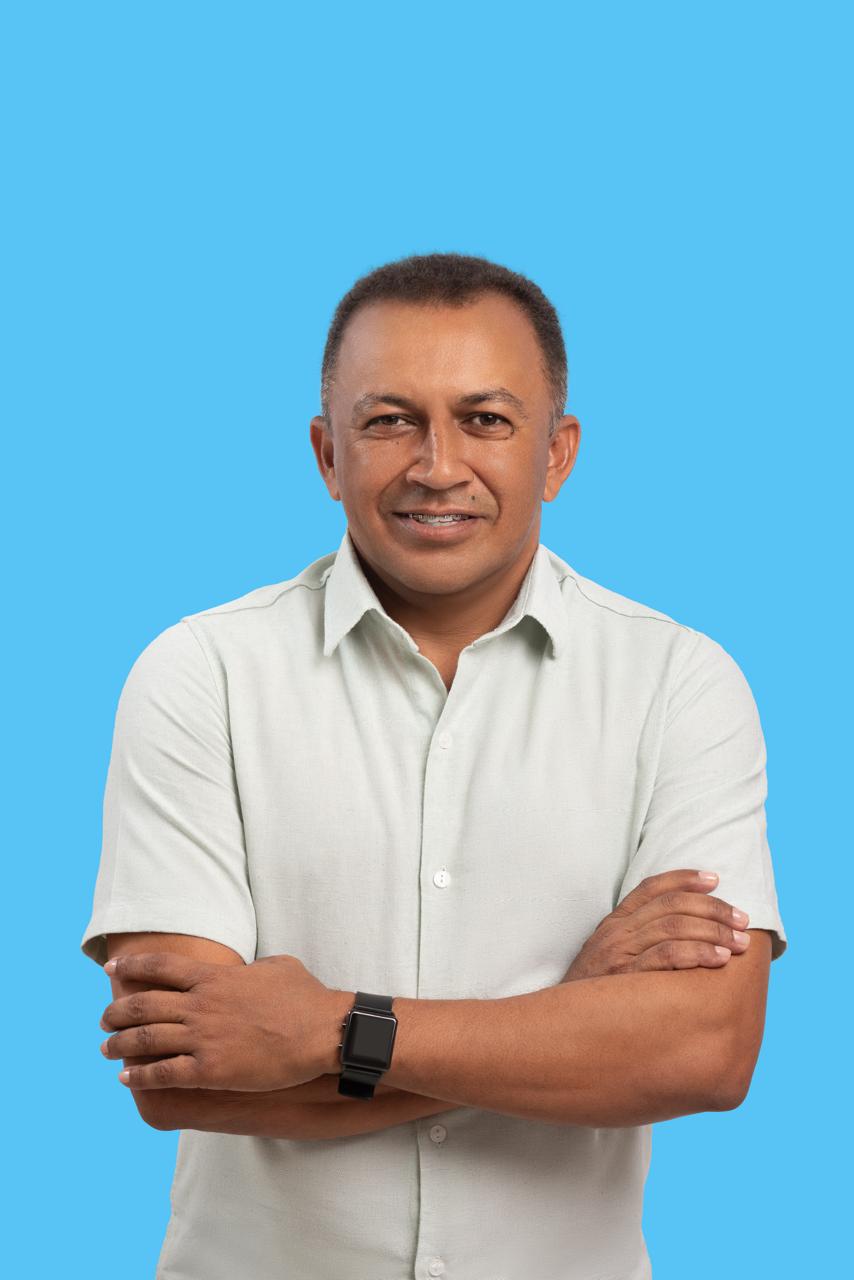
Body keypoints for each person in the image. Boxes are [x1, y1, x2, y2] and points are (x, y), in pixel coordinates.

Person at [82, 252, 787, 1280]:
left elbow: (704, 1054)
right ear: (328, 454)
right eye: (389, 421)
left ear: (557, 453)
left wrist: (328, 1030)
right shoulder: (200, 674)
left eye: (486, 419)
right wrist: (571, 1013)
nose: (437, 465)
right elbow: (181, 1078)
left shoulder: (680, 682)